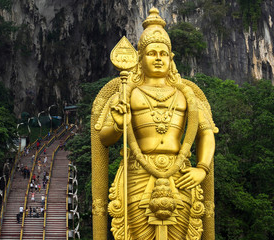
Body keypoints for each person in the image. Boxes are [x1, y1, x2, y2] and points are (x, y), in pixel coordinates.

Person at [91, 8, 217, 240]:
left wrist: (202, 168)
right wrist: (119, 125)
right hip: (138, 173)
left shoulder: (188, 95)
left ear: (171, 59)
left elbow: (206, 133)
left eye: (163, 54)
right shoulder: (125, 93)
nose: (158, 58)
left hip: (180, 173)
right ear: (140, 58)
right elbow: (104, 138)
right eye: (152, 53)